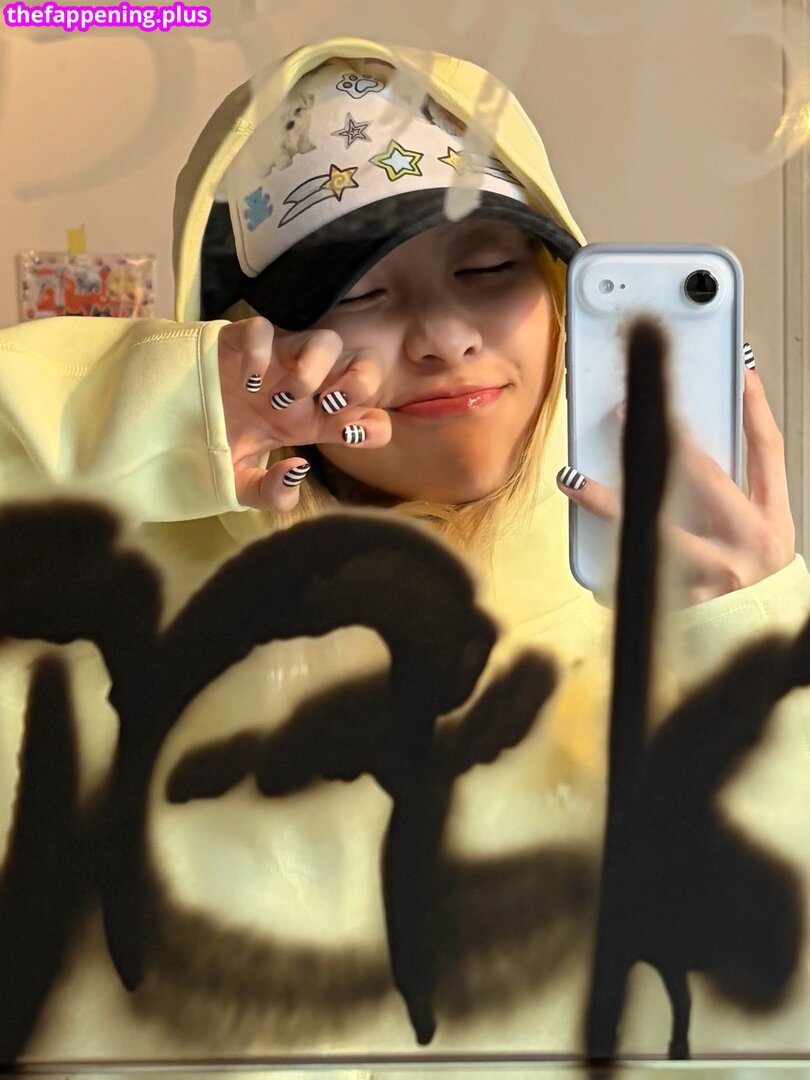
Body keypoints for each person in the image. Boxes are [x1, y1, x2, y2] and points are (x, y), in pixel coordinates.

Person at [0, 35, 808, 1065]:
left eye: (488, 269)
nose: (442, 337)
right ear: (245, 335)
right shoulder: (110, 611)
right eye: (360, 293)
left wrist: (760, 660)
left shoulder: (689, 624)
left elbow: (764, 1003)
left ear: (563, 296)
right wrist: (162, 413)